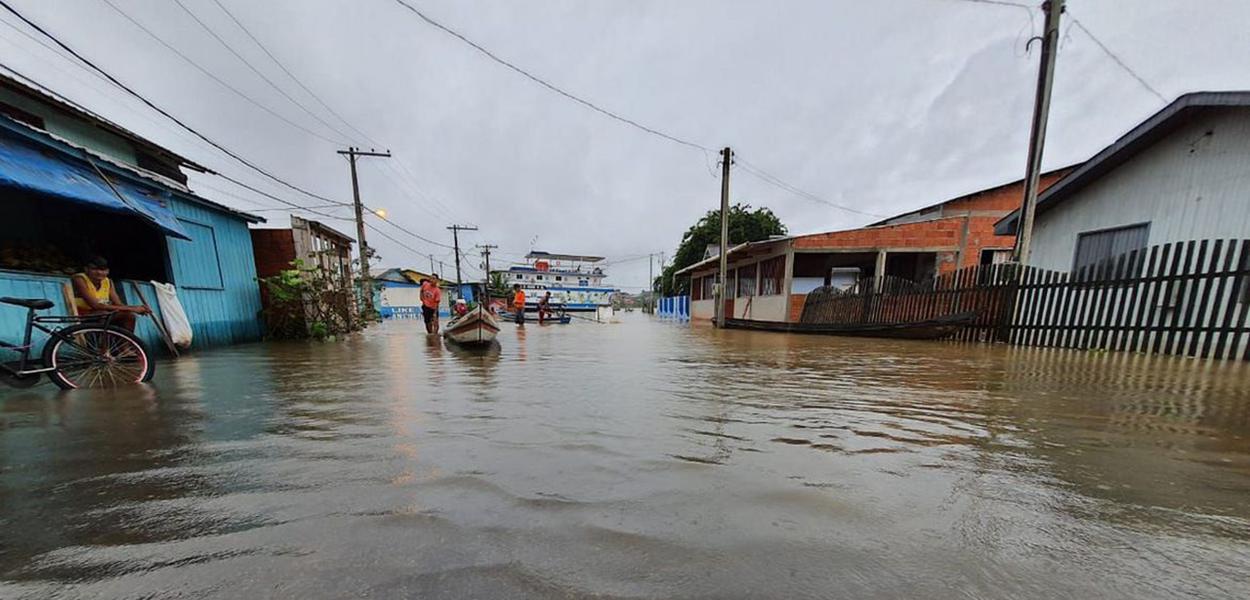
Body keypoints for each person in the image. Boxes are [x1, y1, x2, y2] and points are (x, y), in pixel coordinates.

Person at [71, 256, 149, 332]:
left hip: (100, 314)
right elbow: (95, 305)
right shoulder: (80, 279)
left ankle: (126, 344)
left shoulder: (108, 282)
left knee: (129, 316)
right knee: (104, 314)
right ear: (86, 269)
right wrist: (133, 308)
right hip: (82, 314)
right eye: (94, 269)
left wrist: (138, 308)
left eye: (103, 270)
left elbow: (118, 304)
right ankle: (103, 344)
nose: (99, 272)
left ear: (108, 271)